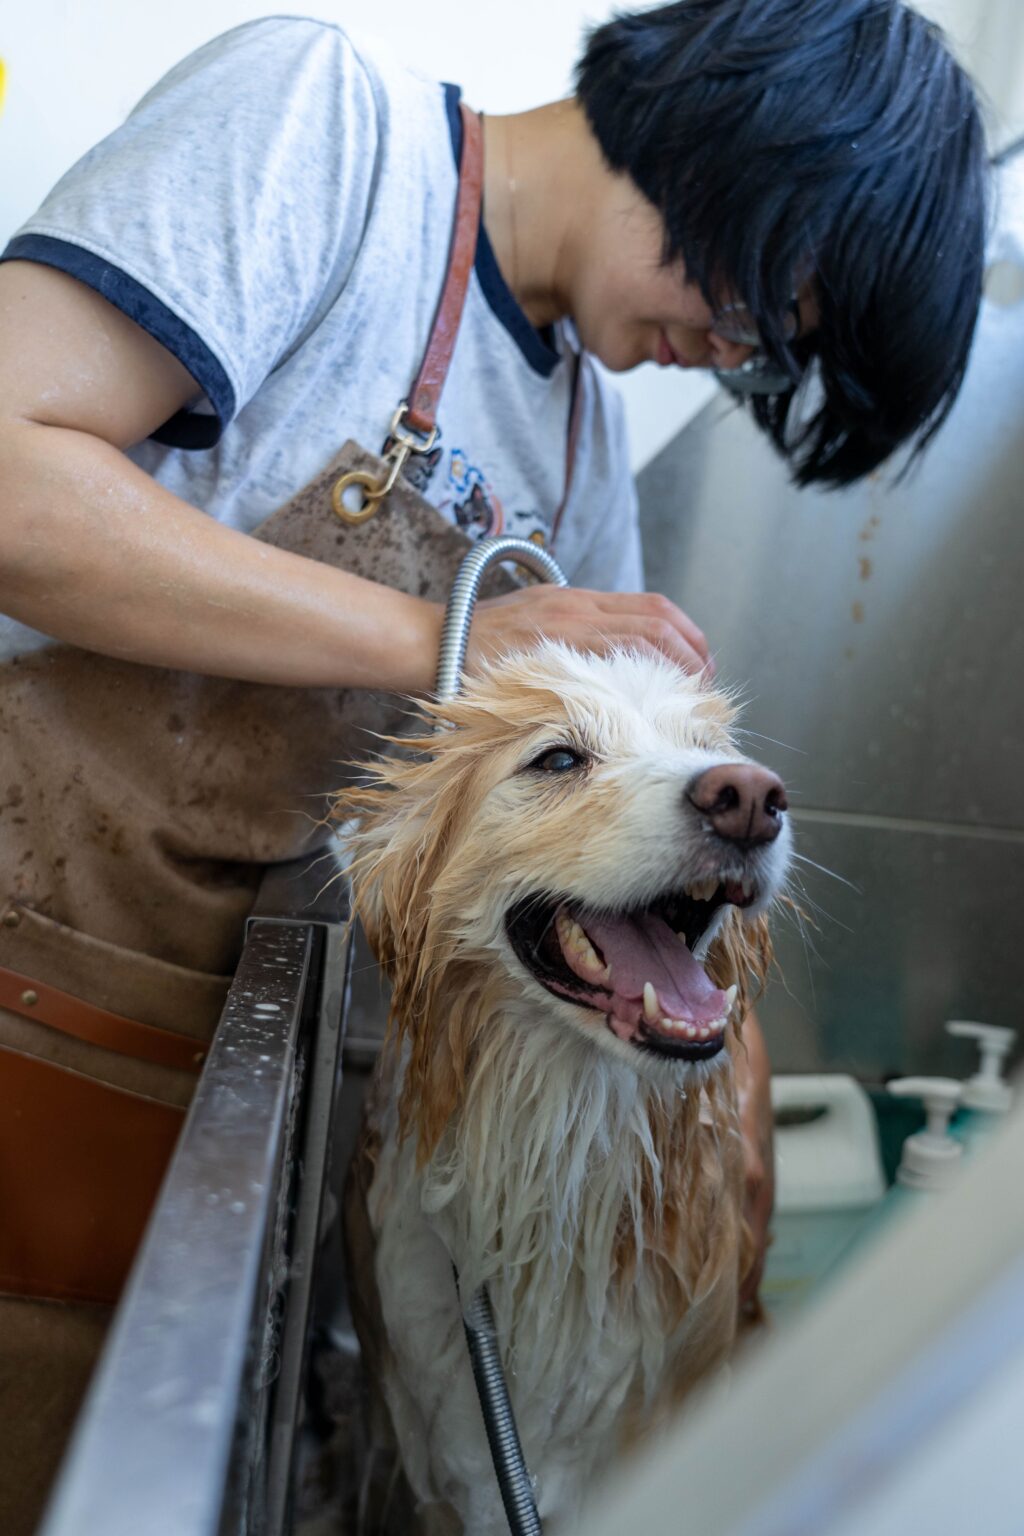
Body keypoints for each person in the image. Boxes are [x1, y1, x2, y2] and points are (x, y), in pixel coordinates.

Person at [0, 2, 986, 1528]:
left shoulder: (587, 460)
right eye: (764, 305)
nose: (735, 359)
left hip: (281, 1079)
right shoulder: (328, 129)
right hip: (46, 975)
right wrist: (429, 633)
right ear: (727, 135)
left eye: (778, 360)